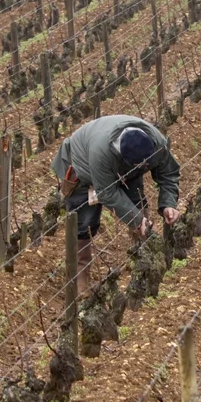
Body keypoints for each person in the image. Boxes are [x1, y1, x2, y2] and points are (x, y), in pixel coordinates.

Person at [52, 115, 181, 293]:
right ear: (121, 155)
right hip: (80, 166)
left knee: (137, 203)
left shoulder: (156, 143)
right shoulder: (102, 153)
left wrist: (168, 203)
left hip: (121, 165)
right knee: (84, 222)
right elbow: (107, 193)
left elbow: (169, 173)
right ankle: (79, 279)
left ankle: (145, 260)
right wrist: (136, 220)